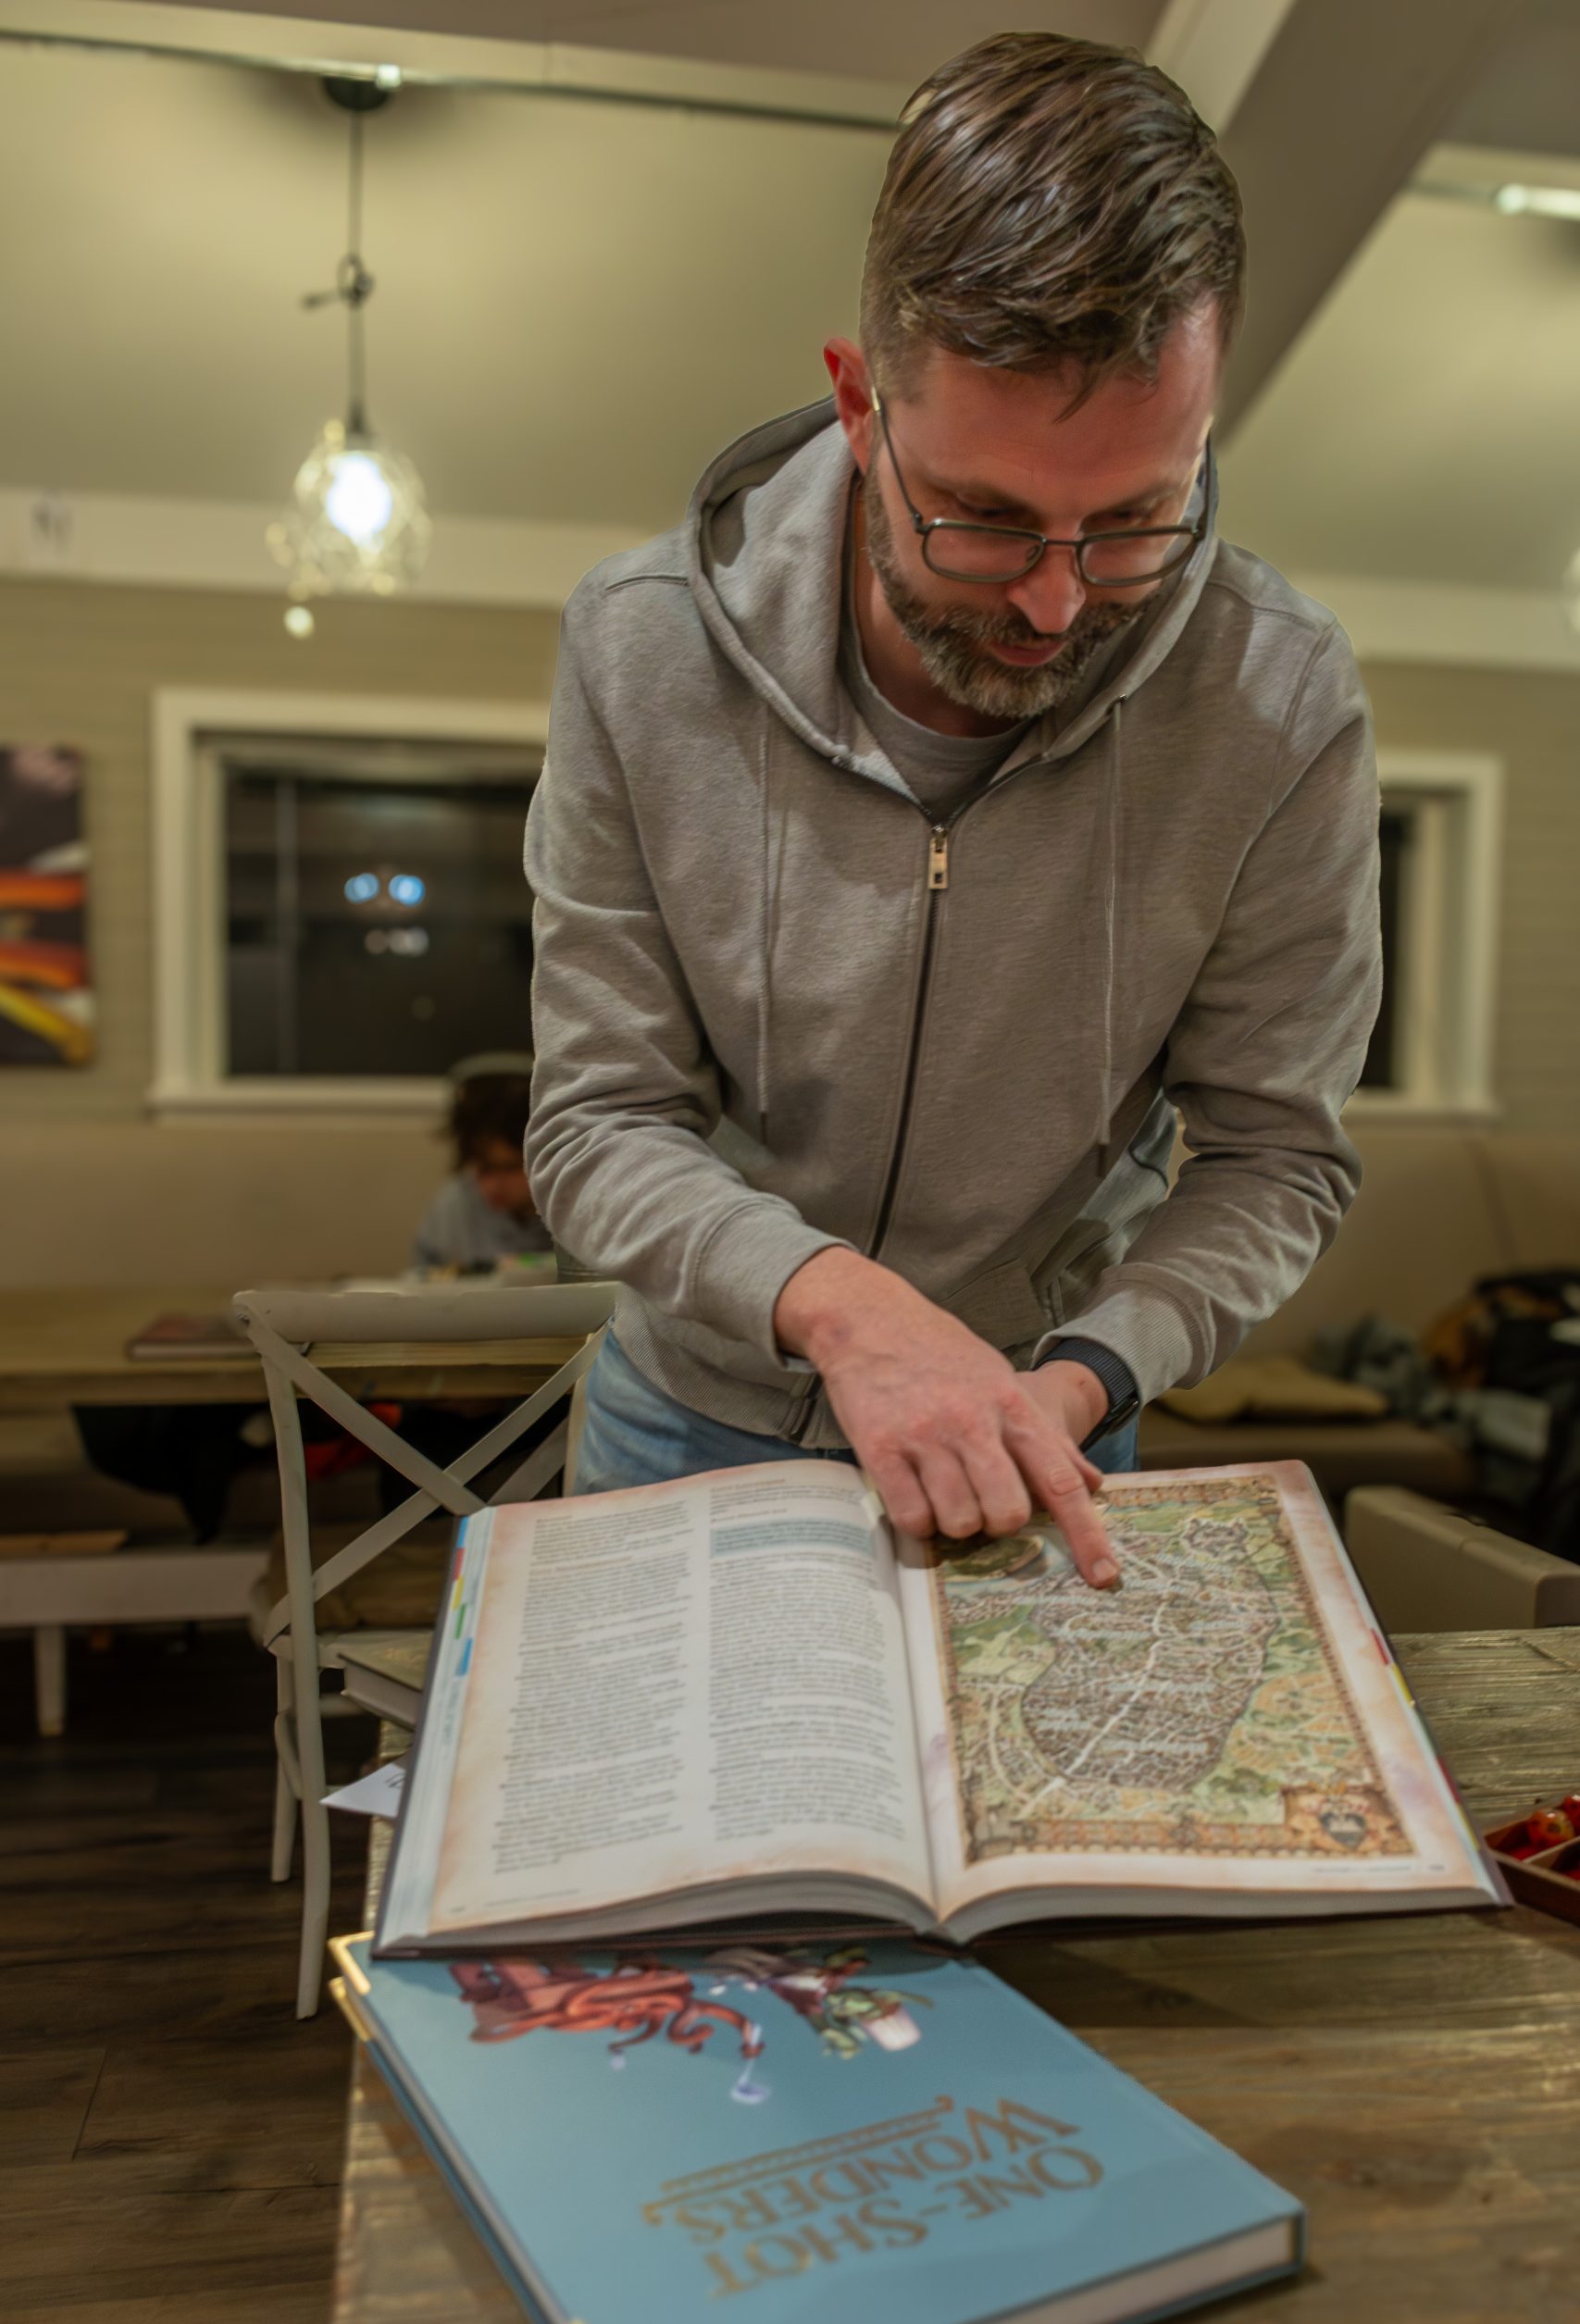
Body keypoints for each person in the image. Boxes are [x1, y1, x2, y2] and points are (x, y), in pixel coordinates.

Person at [525, 33, 1381, 1589]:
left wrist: (1079, 1374)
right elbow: (597, 1123)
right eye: (983, 519)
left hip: (1042, 1427)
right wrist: (848, 1314)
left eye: (1134, 519)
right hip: (687, 1421)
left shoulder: (1281, 701)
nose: (1057, 606)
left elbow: (1276, 1156)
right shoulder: (638, 650)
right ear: (858, 405)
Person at [413, 1054, 552, 1270]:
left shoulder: (570, 1201)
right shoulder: (453, 1208)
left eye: (510, 1167)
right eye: (484, 1169)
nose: (494, 1185)